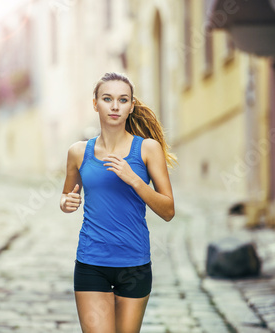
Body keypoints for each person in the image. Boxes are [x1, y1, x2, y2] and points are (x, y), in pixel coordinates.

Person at [60, 72, 177, 333]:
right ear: (95, 103)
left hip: (134, 262)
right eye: (107, 99)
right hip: (91, 262)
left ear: (131, 106)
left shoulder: (147, 149)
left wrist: (134, 179)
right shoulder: (78, 152)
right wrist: (66, 202)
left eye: (123, 100)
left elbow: (168, 210)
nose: (115, 106)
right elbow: (67, 194)